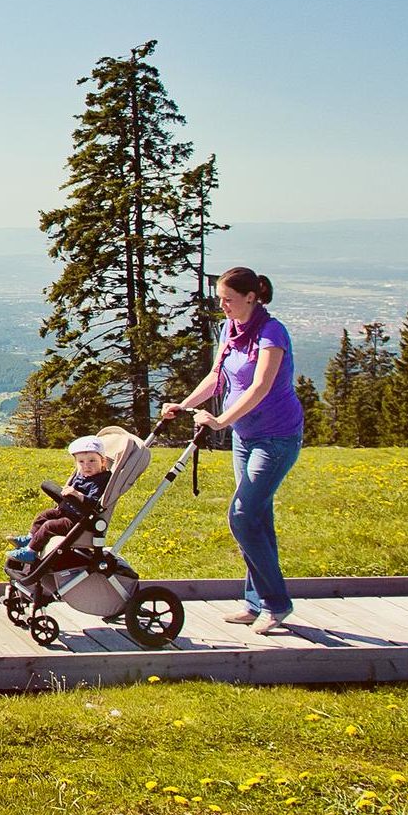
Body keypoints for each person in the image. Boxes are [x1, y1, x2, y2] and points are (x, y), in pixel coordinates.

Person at [162, 265, 306, 634]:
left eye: (228, 299)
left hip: (276, 438)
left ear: (251, 297)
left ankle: (276, 604)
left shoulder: (272, 333)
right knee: (258, 518)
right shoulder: (230, 329)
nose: (222, 306)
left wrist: (220, 421)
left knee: (242, 515)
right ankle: (256, 601)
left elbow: (259, 388)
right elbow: (217, 377)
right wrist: (183, 404)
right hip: (246, 436)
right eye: (220, 300)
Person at [6, 435, 113, 574]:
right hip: (68, 511)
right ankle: (30, 538)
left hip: (79, 520)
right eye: (81, 462)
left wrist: (77, 495)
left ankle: (30, 552)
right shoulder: (82, 475)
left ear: (103, 462)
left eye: (92, 461)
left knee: (49, 526)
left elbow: (93, 502)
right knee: (45, 515)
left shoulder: (99, 481)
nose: (87, 465)